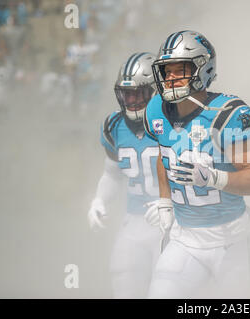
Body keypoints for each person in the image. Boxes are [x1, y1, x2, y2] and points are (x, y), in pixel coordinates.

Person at [143, 30, 250, 298]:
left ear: (204, 69)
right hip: (184, 238)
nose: (170, 79)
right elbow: (162, 153)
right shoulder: (156, 109)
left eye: (180, 70)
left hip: (230, 240)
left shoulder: (225, 113)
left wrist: (216, 178)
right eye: (167, 72)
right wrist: (165, 200)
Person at [87, 52, 162, 298]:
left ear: (153, 91)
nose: (130, 100)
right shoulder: (113, 126)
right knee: (123, 283)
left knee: (166, 286)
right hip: (133, 221)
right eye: (125, 93)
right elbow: (111, 174)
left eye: (137, 93)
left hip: (173, 222)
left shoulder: (173, 122)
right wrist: (99, 200)